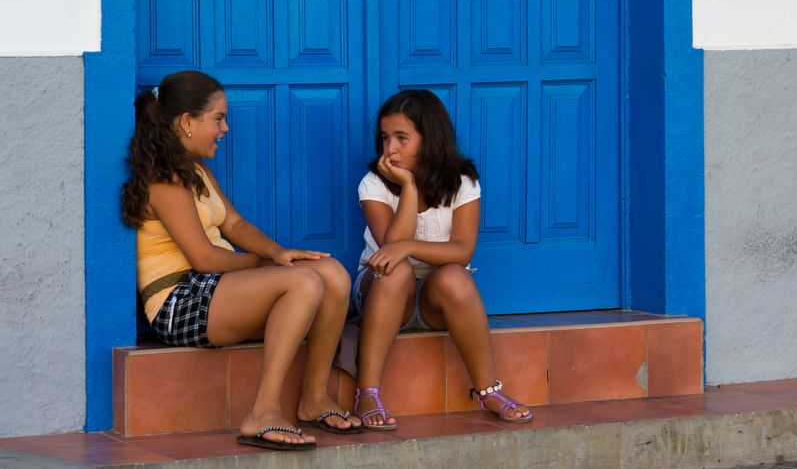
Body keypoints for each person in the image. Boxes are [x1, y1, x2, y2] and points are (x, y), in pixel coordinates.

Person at [121, 70, 362, 451]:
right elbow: (202, 258)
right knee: (303, 281)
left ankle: (314, 397)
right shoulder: (164, 180)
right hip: (178, 301)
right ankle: (263, 412)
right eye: (217, 118)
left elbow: (234, 223)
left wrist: (277, 253)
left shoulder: (196, 171)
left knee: (332, 273)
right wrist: (266, 267)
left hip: (214, 287)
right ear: (186, 122)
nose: (225, 128)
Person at [352, 89, 533, 430]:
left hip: (437, 301)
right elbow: (390, 249)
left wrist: (408, 247)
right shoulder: (374, 184)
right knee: (396, 271)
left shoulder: (462, 183)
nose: (390, 149)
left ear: (429, 138)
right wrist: (408, 187)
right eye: (385, 138)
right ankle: (367, 392)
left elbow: (462, 250)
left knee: (455, 275)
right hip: (384, 295)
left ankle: (488, 389)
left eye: (402, 138)